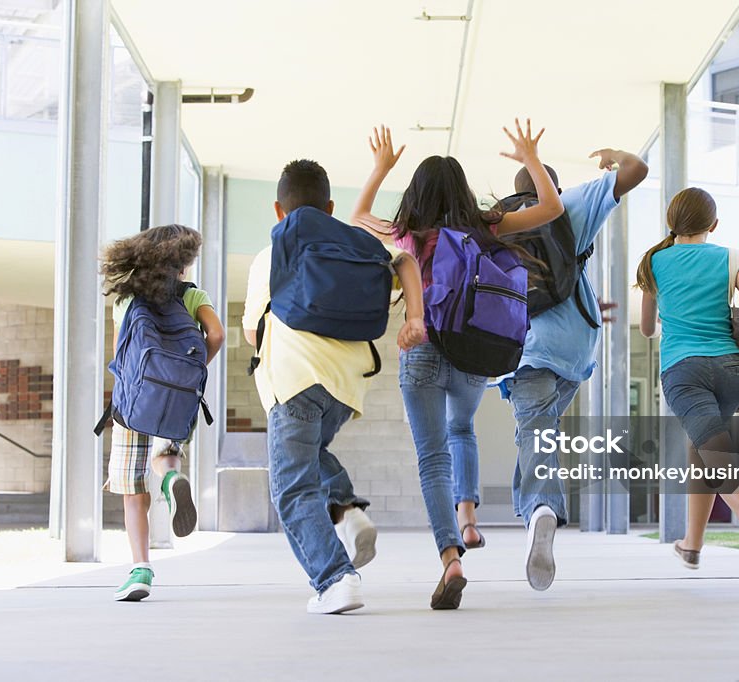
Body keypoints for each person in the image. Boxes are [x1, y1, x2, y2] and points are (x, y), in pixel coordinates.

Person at [351, 120, 564, 609]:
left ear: (417, 194)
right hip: (474, 352)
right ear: (463, 190)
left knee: (432, 460)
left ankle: (450, 557)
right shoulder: (485, 225)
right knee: (461, 428)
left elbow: (360, 213)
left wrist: (381, 167)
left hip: (422, 348)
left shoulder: (408, 233)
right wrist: (531, 157)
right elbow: (550, 208)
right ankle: (470, 517)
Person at [244, 159, 425, 614]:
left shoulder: (272, 254)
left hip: (294, 381)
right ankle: (347, 509)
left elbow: (252, 333)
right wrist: (417, 317)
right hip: (344, 389)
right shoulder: (356, 247)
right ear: (329, 206)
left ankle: (335, 579)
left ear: (278, 211)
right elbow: (403, 260)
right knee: (310, 456)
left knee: (292, 486)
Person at [500, 149, 647, 591]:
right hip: (574, 346)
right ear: (553, 188)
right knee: (536, 431)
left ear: (514, 193)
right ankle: (534, 511)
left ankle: (541, 507)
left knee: (533, 429)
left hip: (524, 344)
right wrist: (613, 156)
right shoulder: (570, 205)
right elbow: (637, 170)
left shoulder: (497, 222)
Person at [638, 187, 739, 577]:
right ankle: (692, 546)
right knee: (700, 449)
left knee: (708, 448)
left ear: (672, 222)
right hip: (731, 370)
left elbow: (648, 329)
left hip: (684, 370)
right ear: (713, 225)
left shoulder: (654, 261)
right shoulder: (731, 257)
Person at [101, 224, 226, 602]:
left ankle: (141, 569)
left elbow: (122, 355)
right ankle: (171, 480)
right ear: (182, 264)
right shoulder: (192, 295)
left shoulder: (126, 299)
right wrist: (193, 372)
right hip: (176, 397)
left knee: (132, 488)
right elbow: (217, 334)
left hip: (132, 402)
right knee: (165, 455)